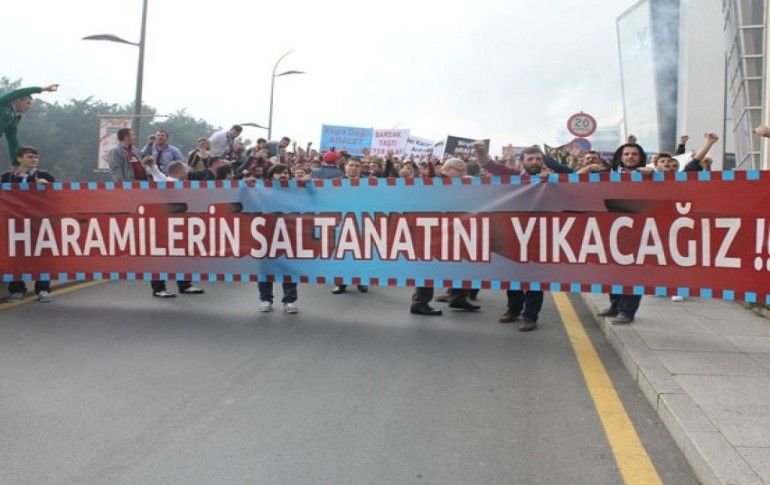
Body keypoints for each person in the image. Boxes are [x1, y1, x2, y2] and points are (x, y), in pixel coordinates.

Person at [411, 158, 480, 316]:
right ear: (447, 170)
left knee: (462, 262)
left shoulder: (458, 185)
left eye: (464, 171)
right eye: (460, 171)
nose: (463, 174)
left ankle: (458, 296)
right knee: (429, 266)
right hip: (434, 232)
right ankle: (420, 302)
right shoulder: (435, 184)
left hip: (454, 231)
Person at [1, 147, 56, 302]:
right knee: (15, 256)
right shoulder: (6, 177)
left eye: (35, 157)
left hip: (39, 223)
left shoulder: (45, 176)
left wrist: (47, 186)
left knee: (42, 256)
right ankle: (17, 290)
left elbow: (58, 197)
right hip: (14, 223)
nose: (33, 160)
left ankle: (43, 289)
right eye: (30, 156)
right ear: (19, 158)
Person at [258, 164, 299, 314]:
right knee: (265, 268)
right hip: (266, 234)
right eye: (278, 173)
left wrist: (308, 185)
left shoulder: (297, 191)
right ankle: (265, 299)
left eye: (285, 173)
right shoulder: (261, 190)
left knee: (289, 268)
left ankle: (289, 300)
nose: (282, 175)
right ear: (270, 176)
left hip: (289, 234)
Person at [331, 157, 370, 295]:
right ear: (345, 167)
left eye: (357, 166)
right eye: (351, 165)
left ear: (361, 168)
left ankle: (361, 280)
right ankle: (340, 283)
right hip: (341, 222)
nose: (353, 168)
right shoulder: (335, 182)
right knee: (341, 254)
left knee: (361, 253)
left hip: (362, 222)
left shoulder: (370, 183)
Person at [0, 83, 59, 163]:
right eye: (27, 103)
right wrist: (43, 89)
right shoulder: (3, 102)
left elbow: (12, 141)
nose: (29, 107)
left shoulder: (15, 118)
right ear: (18, 100)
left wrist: (16, 162)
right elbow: (18, 92)